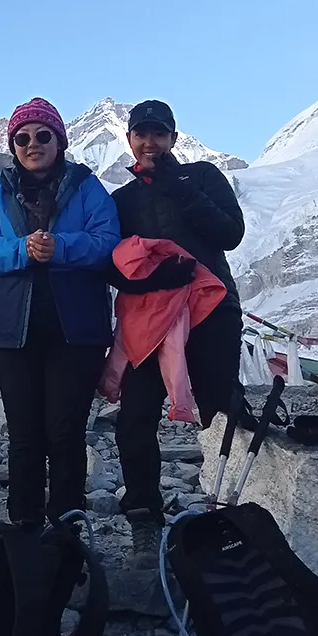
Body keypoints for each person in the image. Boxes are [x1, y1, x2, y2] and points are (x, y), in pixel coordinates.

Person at [0, 98, 120, 528]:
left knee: (65, 433)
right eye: (22, 137)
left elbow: (109, 239)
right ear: (13, 145)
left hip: (77, 332)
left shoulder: (87, 186)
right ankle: (25, 532)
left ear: (59, 140)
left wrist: (62, 247)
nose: (32, 144)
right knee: (24, 436)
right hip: (16, 332)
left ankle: (68, 532)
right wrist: (21, 249)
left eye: (42, 135)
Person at [109, 99, 248, 567]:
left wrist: (178, 187)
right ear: (129, 140)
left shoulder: (203, 177)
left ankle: (245, 510)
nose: (150, 142)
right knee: (135, 416)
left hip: (213, 310)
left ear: (173, 138)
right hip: (152, 322)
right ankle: (145, 519)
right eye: (141, 134)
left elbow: (229, 232)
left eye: (160, 133)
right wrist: (149, 282)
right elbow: (109, 263)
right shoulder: (122, 201)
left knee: (224, 405)